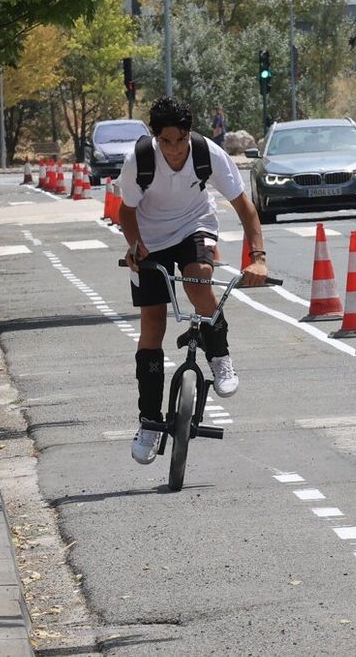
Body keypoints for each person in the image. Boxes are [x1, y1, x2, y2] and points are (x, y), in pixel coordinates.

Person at [118, 96, 268, 464]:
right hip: (151, 240)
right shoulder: (139, 160)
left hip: (194, 228)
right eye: (165, 142)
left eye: (179, 141)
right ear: (156, 138)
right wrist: (136, 248)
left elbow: (244, 207)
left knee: (198, 277)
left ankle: (219, 355)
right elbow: (126, 212)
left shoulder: (208, 154)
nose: (173, 150)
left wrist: (259, 259)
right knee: (152, 326)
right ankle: (150, 422)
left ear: (189, 134)